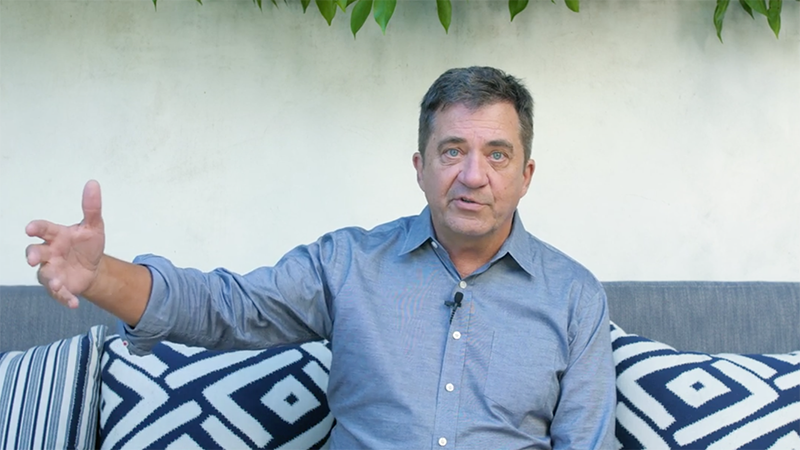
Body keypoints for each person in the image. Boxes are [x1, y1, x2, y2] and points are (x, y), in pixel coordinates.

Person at [25, 66, 615, 449]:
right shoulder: (348, 264)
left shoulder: (574, 297)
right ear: (420, 167)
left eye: (497, 155)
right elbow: (225, 307)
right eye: (453, 150)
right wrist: (99, 276)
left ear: (526, 175)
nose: (473, 175)